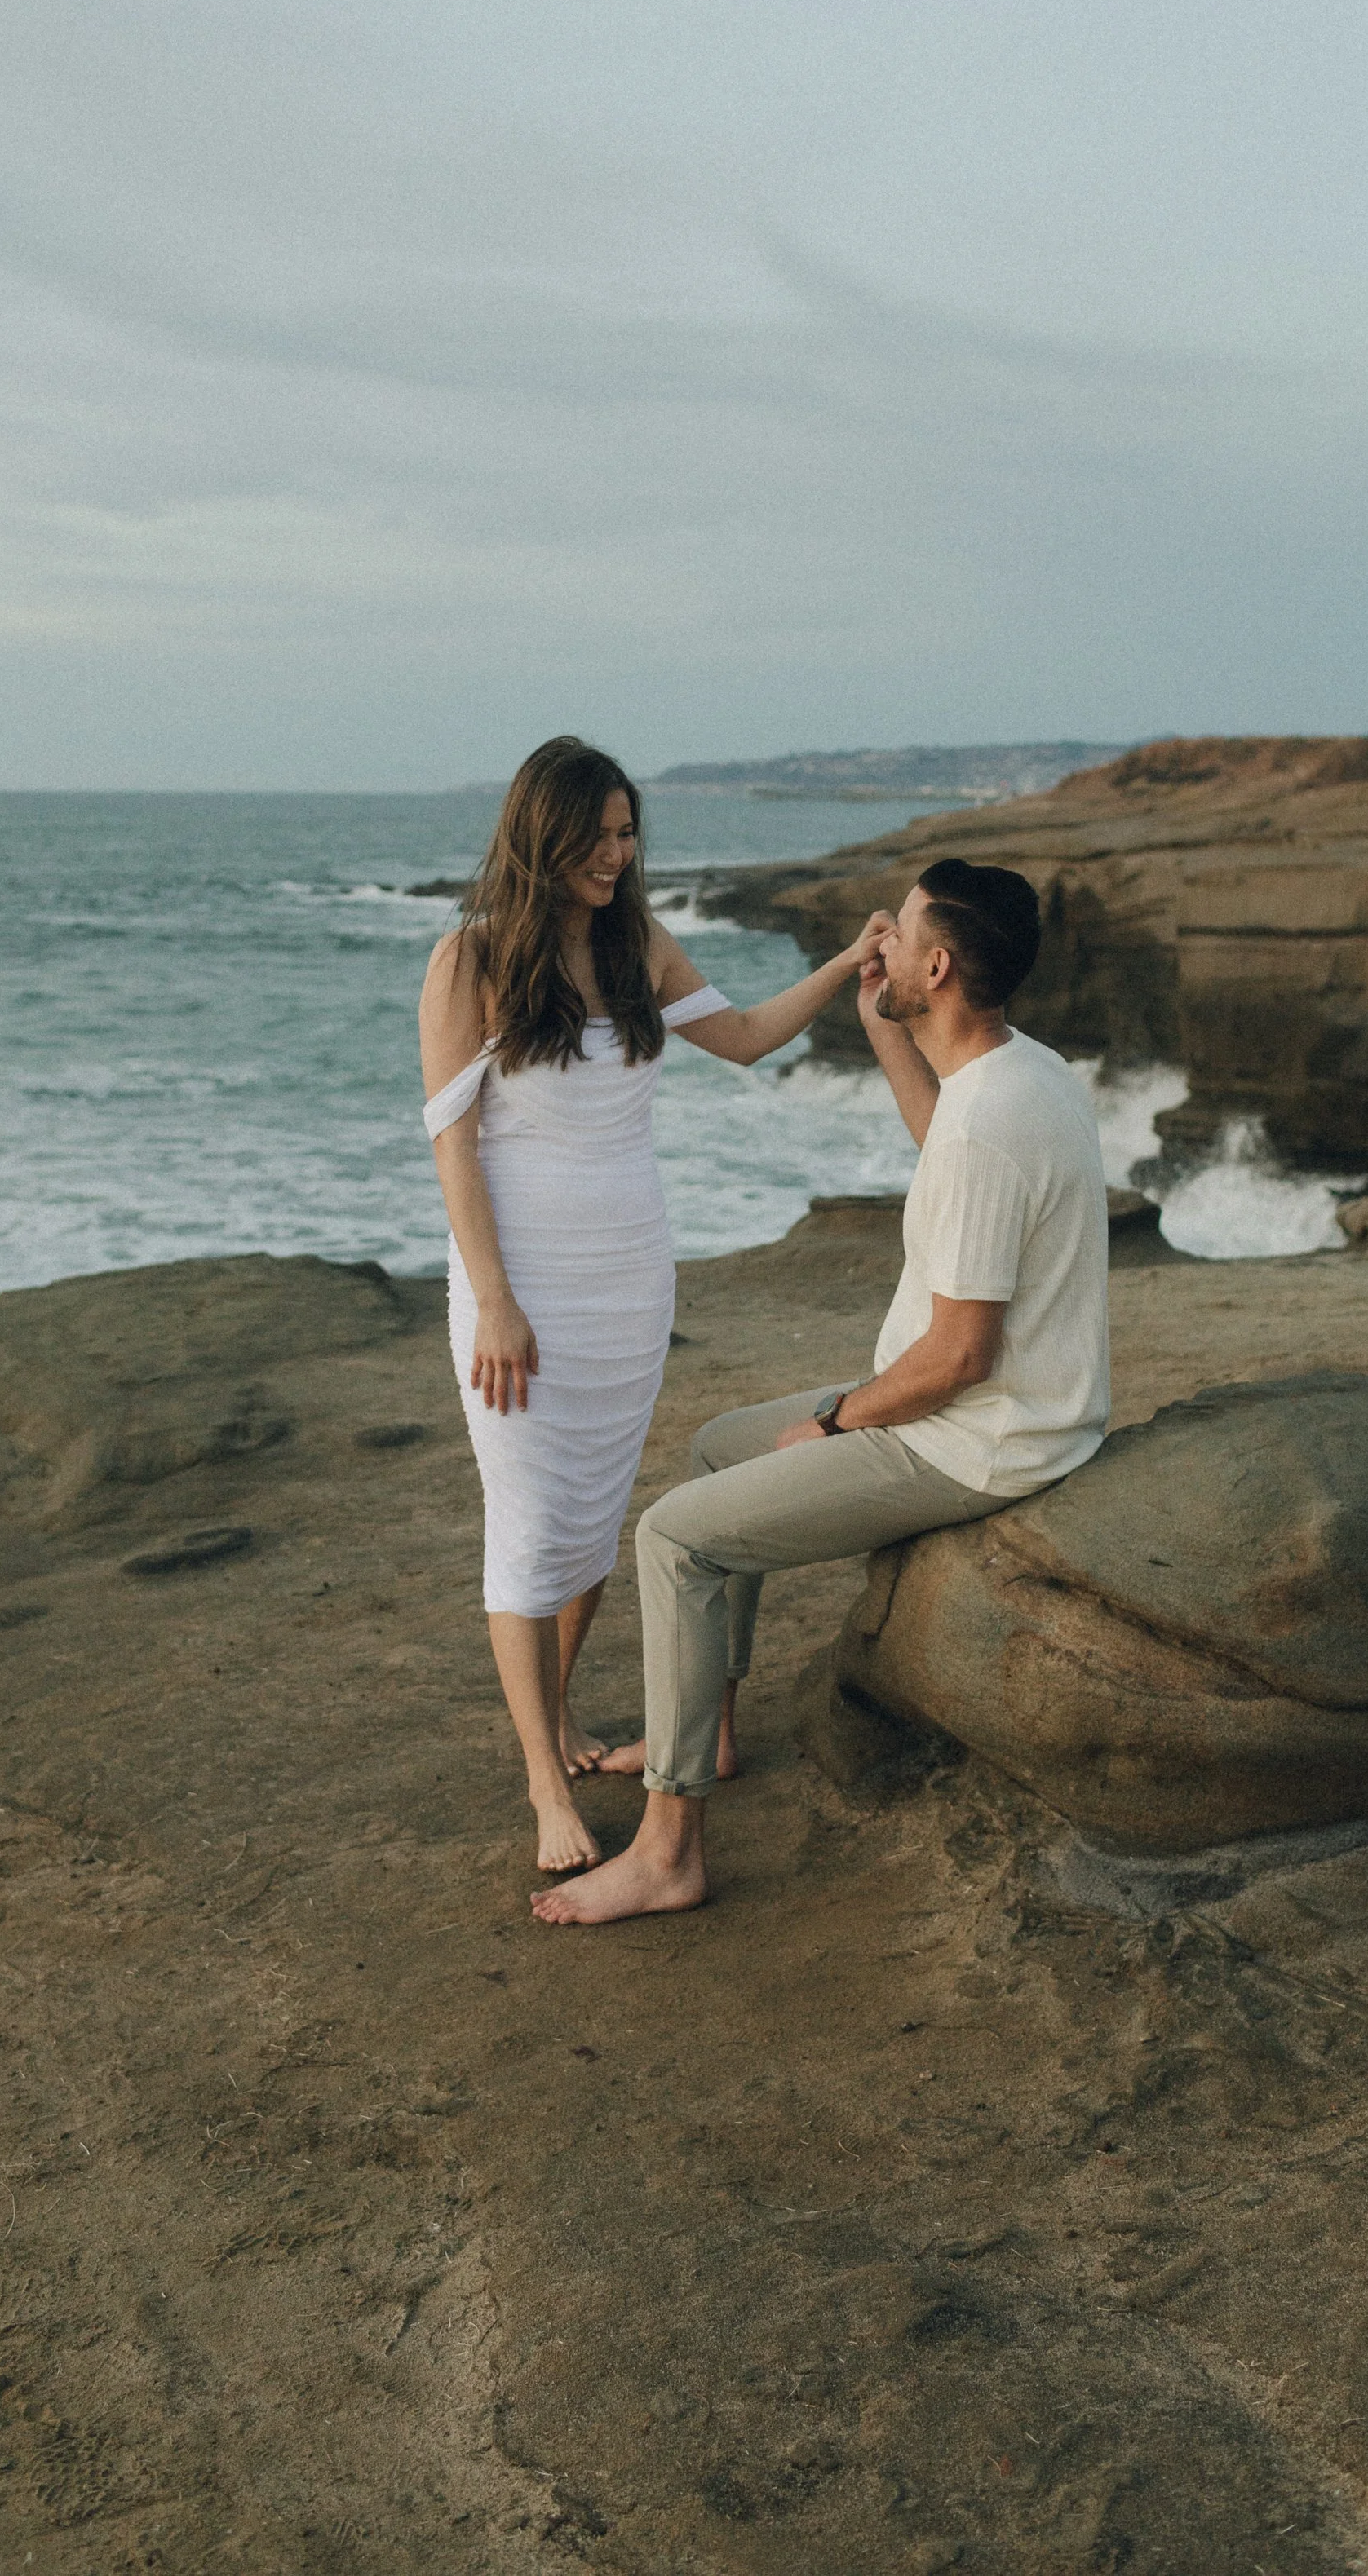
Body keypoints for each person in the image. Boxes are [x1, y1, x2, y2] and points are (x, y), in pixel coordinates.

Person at [532, 857, 1110, 1927]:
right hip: (985, 1406)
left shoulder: (992, 1123)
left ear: (937, 964)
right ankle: (707, 1730)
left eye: (903, 932)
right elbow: (948, 1152)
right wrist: (884, 1026)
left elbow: (959, 1357)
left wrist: (836, 1419)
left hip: (974, 1436)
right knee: (717, 1447)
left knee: (673, 1537)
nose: (876, 939)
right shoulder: (1021, 1073)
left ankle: (670, 1850)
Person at [419, 736, 889, 1876]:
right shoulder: (466, 960)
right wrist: (494, 1299)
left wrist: (839, 970)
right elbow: (454, 1148)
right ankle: (545, 1779)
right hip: (522, 1285)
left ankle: (564, 1715)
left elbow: (742, 1038)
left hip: (630, 1282)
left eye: (630, 834)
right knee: (528, 1521)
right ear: (546, 834)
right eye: (601, 835)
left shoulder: (637, 944)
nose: (620, 855)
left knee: (587, 1527)